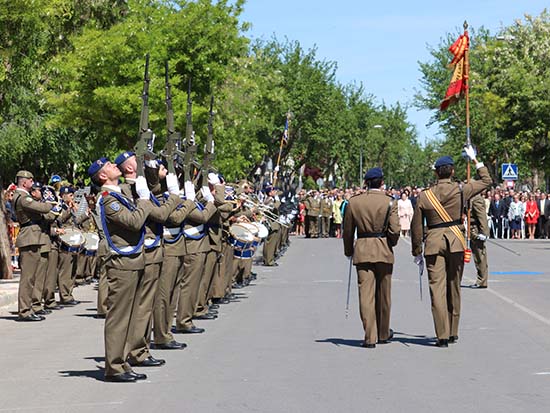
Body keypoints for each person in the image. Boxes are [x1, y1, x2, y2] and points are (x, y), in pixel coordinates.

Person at [410, 147, 492, 347]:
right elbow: (486, 180)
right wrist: (475, 160)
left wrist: (417, 251)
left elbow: (416, 226)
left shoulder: (424, 196)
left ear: (436, 172)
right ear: (452, 171)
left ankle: (442, 335)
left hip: (433, 243)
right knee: (454, 287)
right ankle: (453, 331)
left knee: (437, 289)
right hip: (455, 240)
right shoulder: (461, 189)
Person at [88, 157, 153, 383]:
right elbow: (134, 222)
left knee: (131, 315)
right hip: (122, 262)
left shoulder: (119, 194)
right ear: (103, 176)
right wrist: (144, 200)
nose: (113, 165)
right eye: (108, 165)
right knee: (119, 317)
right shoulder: (108, 200)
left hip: (133, 260)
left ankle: (123, 362)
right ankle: (114, 366)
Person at [343, 167, 400, 349]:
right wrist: (390, 242)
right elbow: (395, 230)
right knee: (384, 295)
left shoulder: (354, 202)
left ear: (366, 183)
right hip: (383, 249)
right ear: (382, 182)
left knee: (366, 295)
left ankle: (370, 336)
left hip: (363, 249)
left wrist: (348, 250)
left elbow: (348, 231)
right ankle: (383, 333)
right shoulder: (389, 202)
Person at [13, 171, 60, 321]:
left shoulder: (22, 196)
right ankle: (25, 310)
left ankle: (30, 308)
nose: (32, 183)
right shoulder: (23, 197)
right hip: (29, 237)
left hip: (33, 236)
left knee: (32, 276)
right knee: (28, 278)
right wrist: (49, 201)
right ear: (24, 182)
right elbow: (44, 209)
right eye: (30, 180)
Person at [469, 193, 489, 289]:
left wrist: (484, 232)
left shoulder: (476, 199)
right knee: (476, 256)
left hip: (476, 229)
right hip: (470, 228)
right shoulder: (468, 196)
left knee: (480, 256)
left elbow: (482, 216)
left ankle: (482, 280)